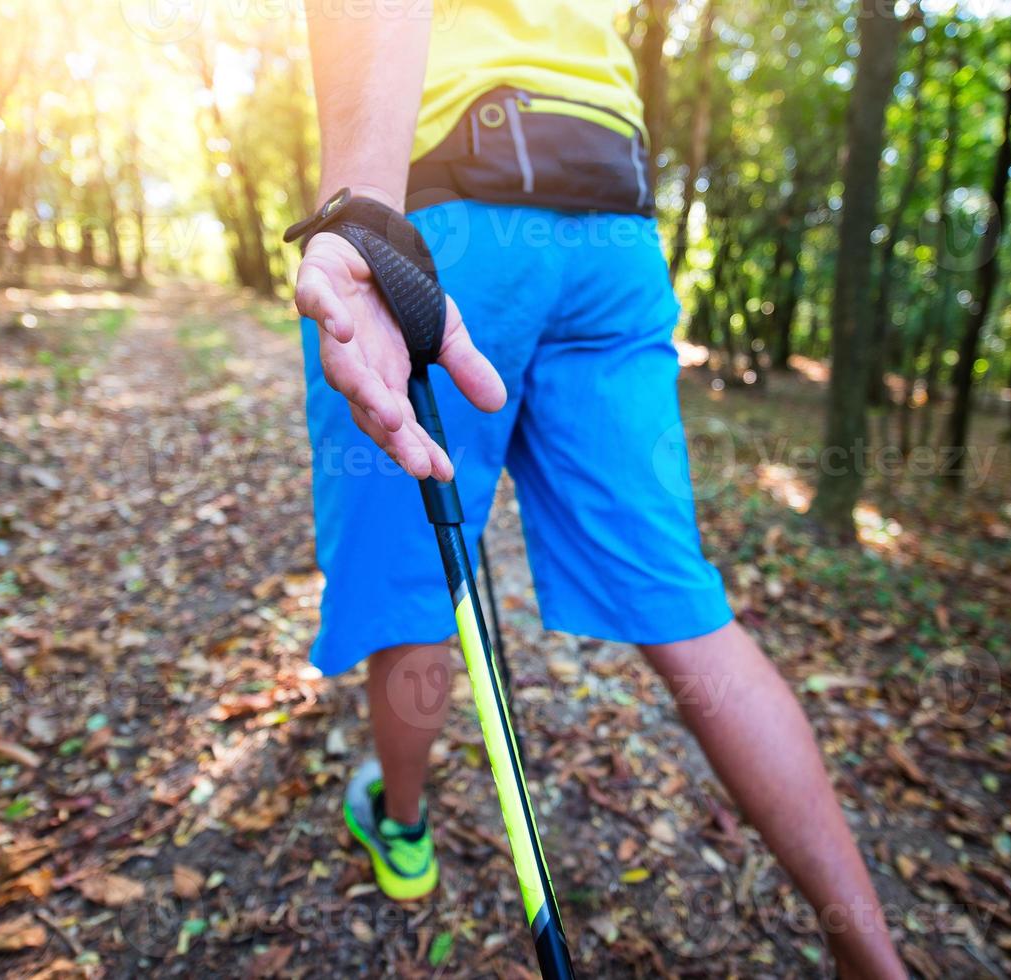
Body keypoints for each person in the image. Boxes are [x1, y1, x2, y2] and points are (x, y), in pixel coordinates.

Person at [288, 2, 907, 976]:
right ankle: (873, 959)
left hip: (447, 193)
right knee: (683, 607)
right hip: (611, 216)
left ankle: (400, 826)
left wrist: (363, 201)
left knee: (418, 570)